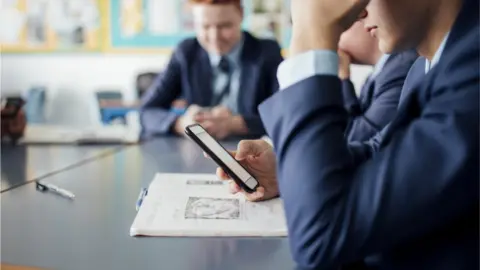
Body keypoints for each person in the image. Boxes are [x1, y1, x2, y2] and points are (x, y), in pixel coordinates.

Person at [214, 0, 479, 269]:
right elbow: (381, 152)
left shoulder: (472, 73)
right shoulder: (425, 69)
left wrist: (311, 31)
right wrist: (286, 169)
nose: (359, 12)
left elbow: (321, 240)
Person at [140, 0, 283, 140]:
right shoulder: (186, 52)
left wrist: (235, 124)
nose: (215, 37)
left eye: (225, 26)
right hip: (195, 154)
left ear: (241, 14)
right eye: (205, 26)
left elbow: (284, 115)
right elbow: (147, 111)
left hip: (253, 153)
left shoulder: (267, 53)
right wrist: (182, 124)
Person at [338, 21, 417, 142]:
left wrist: (342, 79)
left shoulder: (401, 68)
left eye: (338, 31)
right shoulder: (376, 76)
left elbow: (354, 139)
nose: (334, 44)